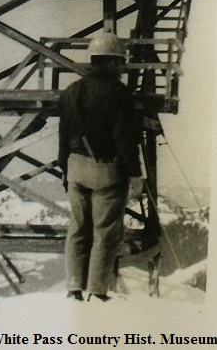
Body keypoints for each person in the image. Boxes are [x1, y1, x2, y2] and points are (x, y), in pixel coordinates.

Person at [58, 32, 143, 303]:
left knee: (78, 228)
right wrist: (135, 173)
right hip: (106, 169)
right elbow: (124, 139)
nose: (122, 68)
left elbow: (63, 135)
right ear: (112, 62)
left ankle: (73, 288)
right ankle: (97, 291)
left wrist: (64, 169)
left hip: (75, 166)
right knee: (105, 232)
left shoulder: (71, 91)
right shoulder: (119, 93)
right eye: (121, 63)